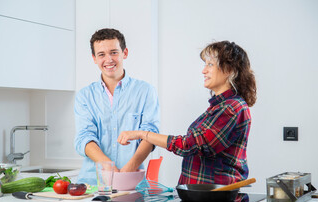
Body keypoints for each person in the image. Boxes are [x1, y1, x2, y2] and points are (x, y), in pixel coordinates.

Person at [118, 41, 256, 185]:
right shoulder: (220, 107)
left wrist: (142, 134)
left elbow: (191, 145)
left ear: (229, 70)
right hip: (202, 196)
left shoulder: (231, 108)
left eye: (210, 64)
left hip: (215, 199)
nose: (204, 71)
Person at [74, 28, 160, 185]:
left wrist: (129, 169)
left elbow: (150, 134)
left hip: (132, 181)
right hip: (92, 183)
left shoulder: (145, 91)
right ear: (94, 58)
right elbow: (84, 137)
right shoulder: (84, 96)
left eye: (114, 52)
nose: (108, 59)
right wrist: (109, 168)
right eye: (101, 54)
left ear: (124, 53)